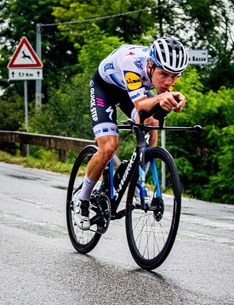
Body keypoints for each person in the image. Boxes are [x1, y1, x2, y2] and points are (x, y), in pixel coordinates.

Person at [74, 37, 189, 230]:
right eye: (164, 74)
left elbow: (152, 108)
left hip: (133, 90)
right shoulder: (132, 62)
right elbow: (140, 104)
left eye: (175, 76)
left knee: (152, 121)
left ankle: (136, 178)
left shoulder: (162, 73)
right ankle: (82, 198)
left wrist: (175, 99)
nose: (169, 82)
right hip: (105, 89)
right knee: (109, 146)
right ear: (151, 65)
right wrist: (162, 98)